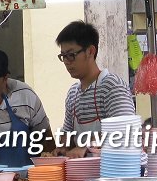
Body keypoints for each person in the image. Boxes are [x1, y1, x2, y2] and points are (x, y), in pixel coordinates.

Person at [53, 21, 135, 158]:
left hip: (119, 171)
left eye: (71, 55)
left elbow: (124, 130)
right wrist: (61, 148)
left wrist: (86, 146)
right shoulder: (73, 93)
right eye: (63, 56)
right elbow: (67, 134)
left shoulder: (112, 87)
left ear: (90, 51)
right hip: (88, 172)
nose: (67, 61)